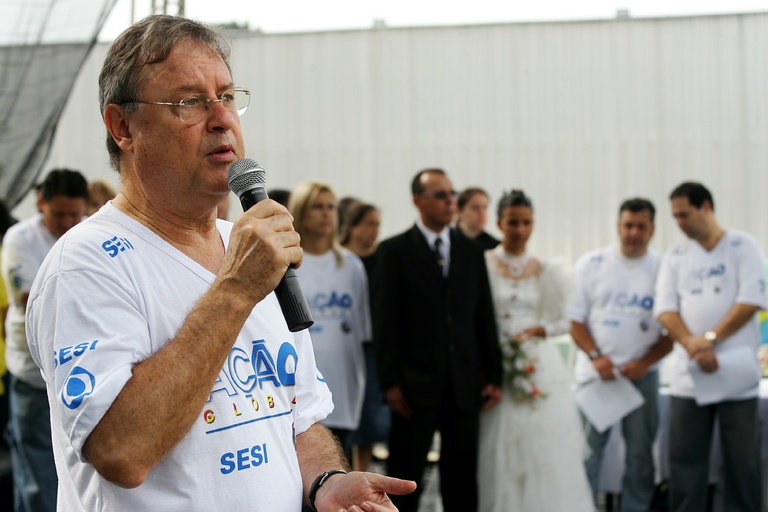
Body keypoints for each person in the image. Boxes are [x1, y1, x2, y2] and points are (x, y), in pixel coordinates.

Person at [24, 15, 415, 511]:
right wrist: (234, 290)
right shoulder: (85, 265)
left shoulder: (251, 248)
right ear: (122, 126)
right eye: (189, 102)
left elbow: (298, 415)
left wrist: (326, 482)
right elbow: (121, 451)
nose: (222, 118)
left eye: (227, 96)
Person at [371, 168, 503, 512]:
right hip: (413, 386)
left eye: (452, 194)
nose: (450, 201)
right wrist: (390, 382)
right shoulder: (394, 251)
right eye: (441, 195)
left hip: (464, 384)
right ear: (418, 200)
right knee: (405, 477)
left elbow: (483, 316)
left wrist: (494, 374)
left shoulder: (470, 251)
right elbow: (384, 321)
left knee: (462, 478)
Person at [478, 189, 592, 512]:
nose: (520, 230)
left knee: (542, 447)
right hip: (495, 363)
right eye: (513, 222)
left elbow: (564, 319)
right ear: (500, 223)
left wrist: (539, 330)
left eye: (526, 222)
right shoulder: (484, 264)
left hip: (534, 362)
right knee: (498, 445)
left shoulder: (546, 270)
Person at [654, 182, 765, 512]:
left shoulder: (742, 245)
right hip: (689, 376)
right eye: (675, 217)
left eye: (684, 214)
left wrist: (711, 339)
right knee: (685, 462)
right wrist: (693, 345)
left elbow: (751, 300)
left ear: (706, 208)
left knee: (742, 464)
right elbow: (665, 309)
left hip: (736, 375)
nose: (680, 223)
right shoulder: (675, 256)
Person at [569, 197, 673, 512]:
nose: (634, 233)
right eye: (628, 226)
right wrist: (596, 356)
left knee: (641, 457)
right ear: (618, 226)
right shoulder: (592, 264)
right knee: (587, 454)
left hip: (641, 378)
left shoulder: (664, 268)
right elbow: (574, 321)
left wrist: (644, 363)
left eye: (641, 226)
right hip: (596, 378)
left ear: (653, 229)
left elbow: (674, 330)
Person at [3, 168, 89, 512]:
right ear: (41, 203)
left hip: (80, 374)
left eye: (74, 214)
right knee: (37, 474)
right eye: (59, 214)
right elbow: (32, 302)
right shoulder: (20, 239)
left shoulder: (89, 233)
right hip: (33, 377)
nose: (67, 222)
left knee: (76, 475)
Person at [288, 181, 370, 465]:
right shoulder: (288, 263)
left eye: (331, 207)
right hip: (298, 386)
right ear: (301, 211)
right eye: (317, 207)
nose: (326, 214)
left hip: (344, 386)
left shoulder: (352, 266)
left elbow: (363, 332)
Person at [340, 201, 390, 472]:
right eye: (369, 224)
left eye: (377, 225)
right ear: (353, 226)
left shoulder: (382, 259)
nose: (374, 230)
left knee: (369, 416)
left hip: (372, 344)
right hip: (345, 344)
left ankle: (362, 469)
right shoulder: (341, 260)